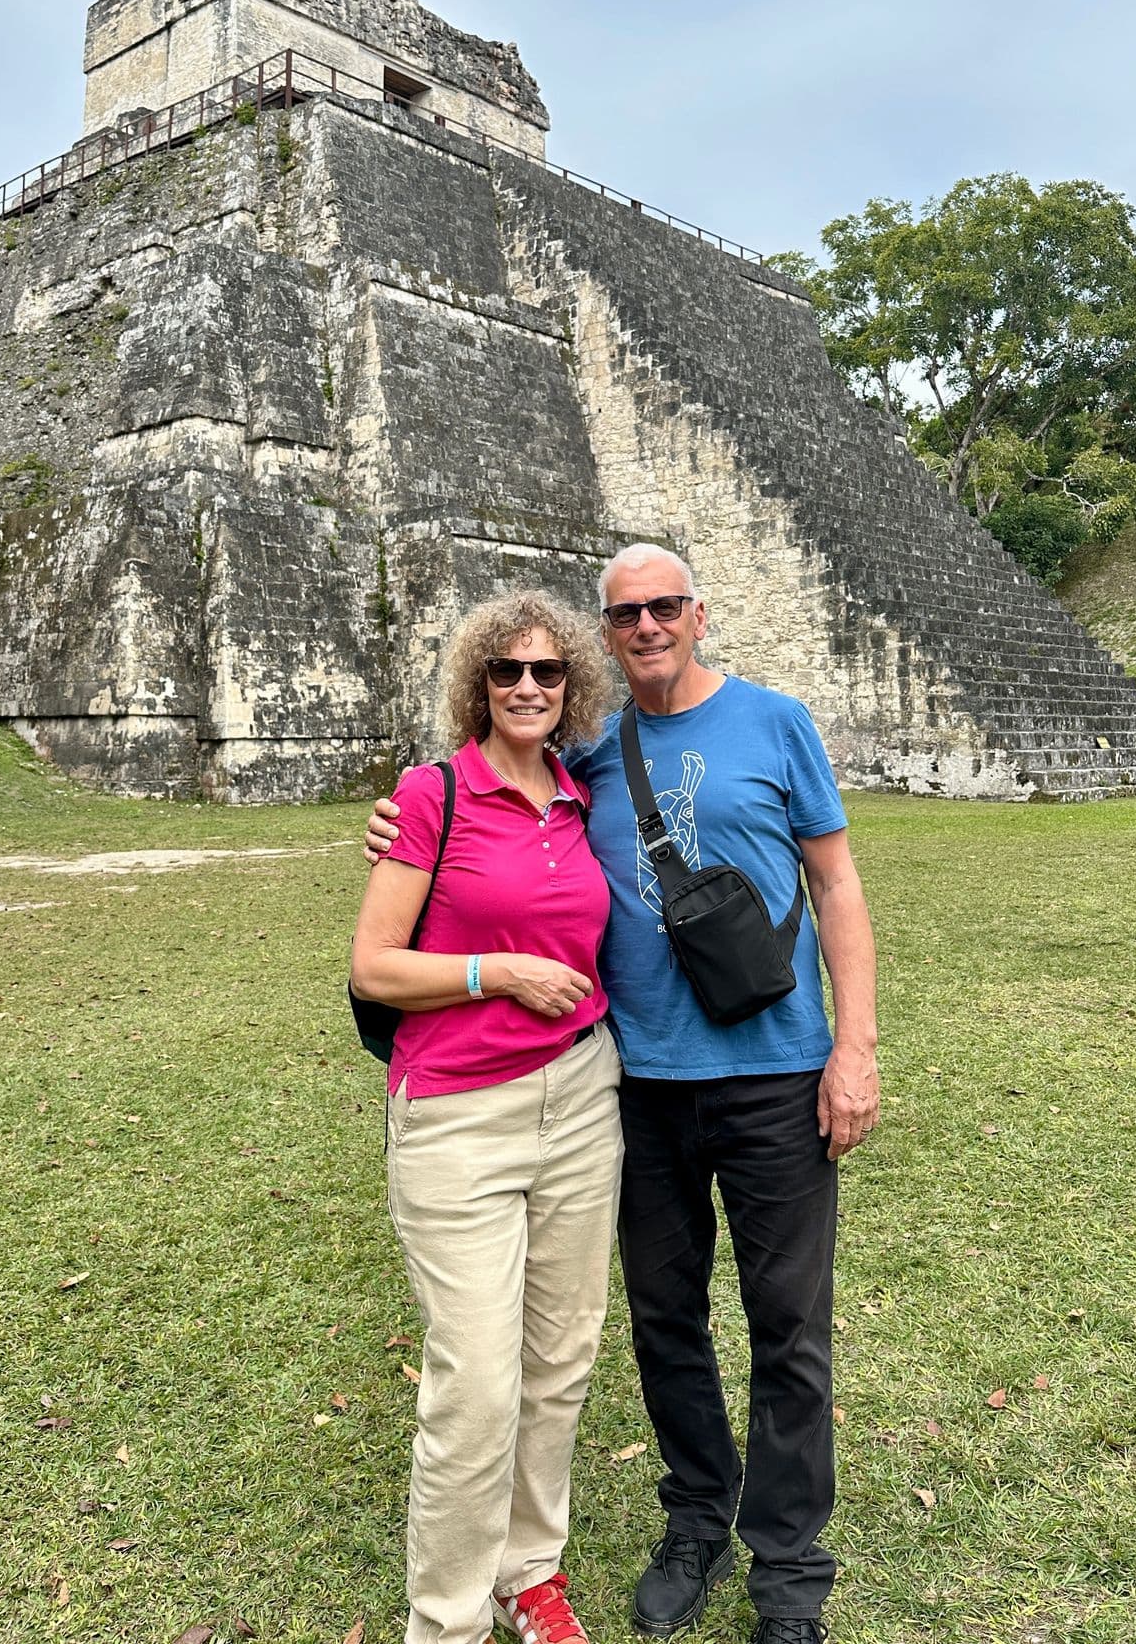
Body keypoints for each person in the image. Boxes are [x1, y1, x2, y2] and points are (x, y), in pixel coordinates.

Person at [366, 545, 880, 1644]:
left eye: (663, 605)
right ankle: (696, 1514)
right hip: (636, 1084)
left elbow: (835, 878)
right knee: (664, 1322)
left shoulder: (776, 721)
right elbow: (476, 798)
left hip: (776, 1071)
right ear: (609, 634)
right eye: (624, 612)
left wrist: (857, 1045)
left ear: (698, 614)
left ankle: (788, 1570)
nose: (645, 624)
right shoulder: (590, 751)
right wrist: (394, 816)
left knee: (788, 1328)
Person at [350, 589, 623, 1644]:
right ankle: (447, 1618)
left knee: (561, 1356)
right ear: (479, 681)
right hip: (460, 1115)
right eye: (507, 670)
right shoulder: (431, 793)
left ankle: (530, 1568)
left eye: (547, 671)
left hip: (581, 1098)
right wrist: (492, 969)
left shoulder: (583, 792)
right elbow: (373, 965)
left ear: (571, 687)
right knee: (475, 1381)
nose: (526, 686)